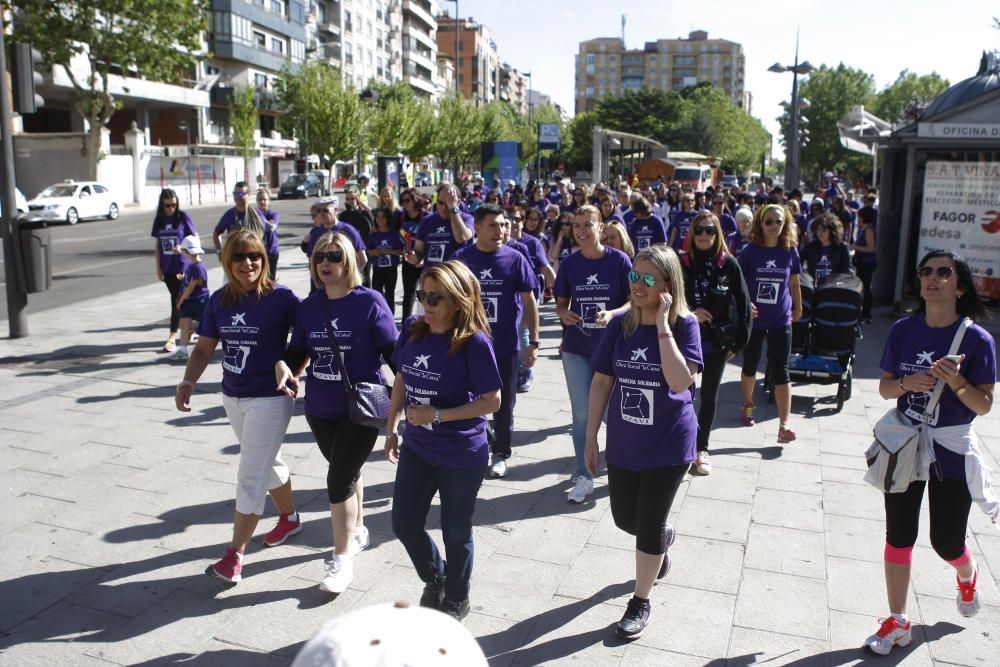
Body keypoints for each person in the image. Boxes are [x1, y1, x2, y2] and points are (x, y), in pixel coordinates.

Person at [864, 250, 997, 656]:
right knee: (899, 534)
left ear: (959, 286)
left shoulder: (977, 340)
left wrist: (956, 382)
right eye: (926, 271)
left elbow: (984, 405)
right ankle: (898, 621)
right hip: (905, 442)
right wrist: (908, 383)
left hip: (951, 448)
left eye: (944, 272)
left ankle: (967, 573)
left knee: (946, 541)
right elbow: (885, 388)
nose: (933, 278)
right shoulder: (904, 329)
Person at [585, 244, 702, 640]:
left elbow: (679, 381)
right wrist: (590, 438)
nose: (637, 284)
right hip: (625, 439)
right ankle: (660, 541)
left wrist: (664, 323)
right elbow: (601, 382)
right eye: (634, 276)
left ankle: (640, 599)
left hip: (669, 443)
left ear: (668, 284)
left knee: (648, 523)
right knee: (626, 520)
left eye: (647, 278)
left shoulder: (685, 325)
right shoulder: (621, 325)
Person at [175, 230, 302, 583]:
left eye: (255, 256)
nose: (248, 263)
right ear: (227, 262)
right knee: (267, 460)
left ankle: (235, 555)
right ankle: (290, 519)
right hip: (232, 396)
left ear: (264, 259)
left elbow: (307, 336)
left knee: (250, 474)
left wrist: (292, 368)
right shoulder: (219, 300)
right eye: (239, 257)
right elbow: (203, 348)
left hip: (270, 399)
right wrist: (189, 381)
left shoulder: (282, 298)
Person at [276, 231, 398, 594]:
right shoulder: (310, 306)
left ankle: (341, 560)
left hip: (361, 408)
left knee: (338, 478)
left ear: (349, 260)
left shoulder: (370, 302)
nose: (325, 263)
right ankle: (357, 528)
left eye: (333, 256)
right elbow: (297, 350)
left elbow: (395, 354)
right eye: (319, 257)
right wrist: (285, 365)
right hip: (319, 408)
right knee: (347, 470)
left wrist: (411, 401)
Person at [385, 261, 502, 622]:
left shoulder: (474, 343)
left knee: (455, 529)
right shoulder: (413, 330)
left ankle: (457, 596)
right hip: (418, 448)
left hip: (462, 453)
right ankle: (436, 574)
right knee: (404, 524)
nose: (426, 303)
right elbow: (402, 378)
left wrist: (437, 415)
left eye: (436, 297)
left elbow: (492, 400)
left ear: (457, 299)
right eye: (422, 294)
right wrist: (391, 427)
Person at [452, 205, 539, 478]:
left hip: (505, 347)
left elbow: (530, 302)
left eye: (503, 225)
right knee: (468, 400)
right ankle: (478, 441)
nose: (501, 230)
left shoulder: (515, 258)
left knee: (504, 404)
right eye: (493, 225)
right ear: (477, 227)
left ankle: (501, 453)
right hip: (467, 346)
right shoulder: (461, 259)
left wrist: (533, 343)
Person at [555, 205, 633, 503]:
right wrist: (564, 314)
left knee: (616, 414)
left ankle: (621, 467)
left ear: (601, 228)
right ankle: (584, 475)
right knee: (583, 414)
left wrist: (613, 313)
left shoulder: (620, 261)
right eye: (577, 225)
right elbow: (561, 303)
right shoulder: (570, 264)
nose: (582, 231)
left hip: (612, 348)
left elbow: (634, 300)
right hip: (577, 347)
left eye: (588, 225)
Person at [681, 211, 751, 475]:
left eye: (709, 230)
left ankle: (701, 449)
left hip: (715, 343)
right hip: (685, 341)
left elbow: (744, 304)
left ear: (717, 233)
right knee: (683, 395)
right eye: (698, 230)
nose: (703, 235)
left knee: (709, 396)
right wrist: (690, 312)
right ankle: (680, 444)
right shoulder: (681, 262)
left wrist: (739, 342)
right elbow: (666, 297)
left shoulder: (728, 263)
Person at [738, 204, 803, 442]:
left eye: (779, 221)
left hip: (780, 318)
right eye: (769, 222)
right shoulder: (751, 251)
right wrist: (745, 305)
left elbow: (794, 283)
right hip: (754, 320)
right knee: (750, 365)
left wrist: (799, 307)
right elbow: (739, 283)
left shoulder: (789, 250)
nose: (774, 226)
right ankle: (747, 402)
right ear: (760, 224)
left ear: (785, 224)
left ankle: (784, 424)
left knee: (781, 368)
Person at [151, 189, 197, 353]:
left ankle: (172, 337)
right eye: (167, 205)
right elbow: (157, 246)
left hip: (182, 266)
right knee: (181, 300)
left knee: (177, 301)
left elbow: (195, 238)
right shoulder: (160, 219)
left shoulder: (183, 217)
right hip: (167, 267)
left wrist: (183, 247)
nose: (171, 208)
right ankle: (192, 326)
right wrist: (158, 268)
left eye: (173, 205)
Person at [404, 183, 473, 271]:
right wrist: (413, 257)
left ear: (458, 202)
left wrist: (453, 208)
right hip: (432, 277)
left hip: (456, 277)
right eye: (440, 203)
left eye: (448, 203)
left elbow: (461, 237)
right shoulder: (427, 221)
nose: (444, 207)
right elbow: (419, 250)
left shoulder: (467, 219)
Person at [171, 235, 210, 361]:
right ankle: (183, 349)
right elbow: (193, 281)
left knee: (204, 325)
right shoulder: (193, 265)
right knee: (184, 323)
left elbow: (191, 287)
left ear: (187, 252)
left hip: (197, 300)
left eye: (183, 251)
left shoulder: (197, 267)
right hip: (194, 300)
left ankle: (202, 342)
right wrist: (184, 278)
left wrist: (180, 301)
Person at [302, 198, 367, 271]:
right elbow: (312, 262)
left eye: (325, 210)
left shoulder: (349, 231)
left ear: (336, 210)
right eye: (318, 211)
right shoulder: (316, 233)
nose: (321, 214)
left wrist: (350, 279)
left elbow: (362, 260)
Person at [213, 181, 270, 255]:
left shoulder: (257, 215)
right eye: (235, 194)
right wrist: (219, 251)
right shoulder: (229, 214)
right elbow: (216, 233)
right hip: (234, 257)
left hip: (253, 256)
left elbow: (264, 236)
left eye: (241, 194)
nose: (237, 197)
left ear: (248, 195)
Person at [368, 208, 406, 315]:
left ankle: (390, 316)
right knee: (376, 293)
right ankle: (377, 315)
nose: (380, 219)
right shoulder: (373, 235)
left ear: (388, 219)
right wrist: (373, 252)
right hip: (377, 268)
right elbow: (368, 250)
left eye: (383, 217)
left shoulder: (394, 234)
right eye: (378, 217)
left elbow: (402, 251)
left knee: (390, 294)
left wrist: (389, 251)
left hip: (391, 269)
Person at [397, 188, 426, 319]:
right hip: (408, 258)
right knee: (409, 293)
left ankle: (426, 321)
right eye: (402, 201)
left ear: (415, 200)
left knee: (426, 293)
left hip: (424, 260)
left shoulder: (426, 216)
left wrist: (423, 259)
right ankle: (405, 325)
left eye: (408, 200)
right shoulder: (401, 216)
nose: (405, 203)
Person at [800, 213, 852, 285]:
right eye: (818, 230)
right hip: (815, 289)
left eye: (824, 230)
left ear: (832, 230)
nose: (820, 233)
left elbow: (847, 271)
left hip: (834, 289)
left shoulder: (841, 247)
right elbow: (797, 263)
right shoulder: (810, 247)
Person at [850, 206, 877, 322]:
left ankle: (866, 313)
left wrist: (854, 247)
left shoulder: (869, 230)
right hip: (862, 262)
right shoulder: (863, 229)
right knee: (863, 286)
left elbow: (871, 248)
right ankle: (862, 311)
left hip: (867, 262)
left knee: (865, 286)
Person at [256, 188, 281, 280]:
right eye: (259, 199)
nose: (262, 202)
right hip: (257, 251)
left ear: (269, 201)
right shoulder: (254, 215)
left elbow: (270, 227)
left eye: (264, 199)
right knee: (258, 279)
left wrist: (259, 216)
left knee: (270, 279)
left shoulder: (274, 214)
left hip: (271, 252)